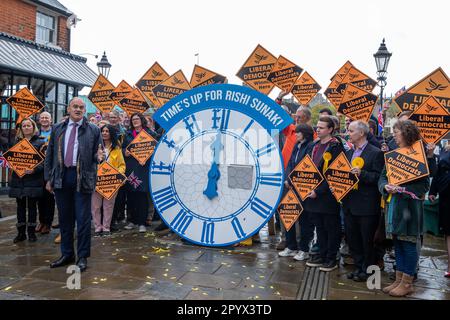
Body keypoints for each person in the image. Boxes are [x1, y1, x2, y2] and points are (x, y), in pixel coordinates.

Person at [45, 97, 104, 272]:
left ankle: (83, 256)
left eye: (81, 107)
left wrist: (100, 157)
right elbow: (50, 154)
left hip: (82, 178)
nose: (78, 110)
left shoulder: (93, 129)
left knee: (83, 220)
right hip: (61, 177)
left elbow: (99, 153)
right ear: (69, 109)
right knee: (65, 219)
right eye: (75, 107)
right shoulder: (58, 128)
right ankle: (67, 253)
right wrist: (48, 178)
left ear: (84, 111)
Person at [378, 120, 430, 297]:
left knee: (408, 244)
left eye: (397, 132)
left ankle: (407, 283)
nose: (394, 135)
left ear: (407, 133)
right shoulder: (393, 155)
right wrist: (386, 187)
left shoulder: (419, 156)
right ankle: (399, 279)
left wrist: (403, 189)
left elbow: (423, 186)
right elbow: (382, 178)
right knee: (398, 243)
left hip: (410, 209)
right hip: (394, 206)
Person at [342, 121, 384, 282]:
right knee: (353, 239)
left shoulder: (375, 152)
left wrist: (362, 173)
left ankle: (368, 271)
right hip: (349, 204)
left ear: (361, 133)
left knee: (367, 240)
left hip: (367, 205)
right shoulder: (348, 153)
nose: (348, 133)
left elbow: (378, 177)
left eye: (351, 131)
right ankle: (359, 267)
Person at [304, 115, 345, 271]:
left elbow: (335, 174)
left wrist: (318, 191)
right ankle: (321, 254)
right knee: (319, 227)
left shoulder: (336, 147)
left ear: (330, 129)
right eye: (317, 127)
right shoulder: (314, 145)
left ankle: (331, 258)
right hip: (312, 194)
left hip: (327, 196)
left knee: (331, 227)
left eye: (321, 128)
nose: (317, 130)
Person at [279, 124, 315, 261]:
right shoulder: (297, 146)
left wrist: (293, 180)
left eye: (298, 132)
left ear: (304, 133)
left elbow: (306, 166)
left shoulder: (310, 146)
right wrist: (288, 178)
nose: (296, 134)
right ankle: (291, 246)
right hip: (292, 186)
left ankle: (304, 249)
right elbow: (290, 164)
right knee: (288, 215)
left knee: (304, 220)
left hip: (303, 188)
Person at [9, 118, 45, 243]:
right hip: (18, 180)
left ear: (33, 127)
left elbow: (44, 162)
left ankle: (31, 233)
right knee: (20, 207)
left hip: (33, 180)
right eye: (24, 126)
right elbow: (10, 158)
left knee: (32, 207)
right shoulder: (15, 142)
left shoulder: (40, 143)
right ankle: (21, 233)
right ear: (21, 128)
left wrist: (34, 169)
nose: (26, 127)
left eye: (29, 125)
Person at [123, 113, 156, 233]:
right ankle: (132, 221)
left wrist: (147, 157)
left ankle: (142, 222)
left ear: (142, 120)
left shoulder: (150, 134)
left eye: (137, 119)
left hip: (143, 169)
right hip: (131, 168)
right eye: (133, 119)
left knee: (142, 195)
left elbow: (155, 150)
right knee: (131, 195)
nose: (135, 121)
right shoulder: (127, 134)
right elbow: (122, 148)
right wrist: (124, 152)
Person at [92, 125, 125, 237]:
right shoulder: (95, 147)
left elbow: (122, 165)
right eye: (103, 131)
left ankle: (106, 228)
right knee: (96, 206)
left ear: (111, 133)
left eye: (107, 131)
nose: (105, 133)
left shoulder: (117, 148)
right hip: (96, 181)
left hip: (111, 182)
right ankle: (97, 227)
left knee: (108, 206)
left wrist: (117, 173)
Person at [429, 141, 450, 278]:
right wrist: (433, 191)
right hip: (446, 197)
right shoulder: (445, 150)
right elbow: (437, 173)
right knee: (448, 232)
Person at [36, 111, 55, 235]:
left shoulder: (55, 132)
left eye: (46, 118)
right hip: (38, 170)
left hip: (51, 168)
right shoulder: (35, 134)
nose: (44, 119)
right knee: (39, 197)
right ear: (39, 120)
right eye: (42, 117)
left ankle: (48, 223)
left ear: (51, 120)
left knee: (49, 197)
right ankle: (41, 221)